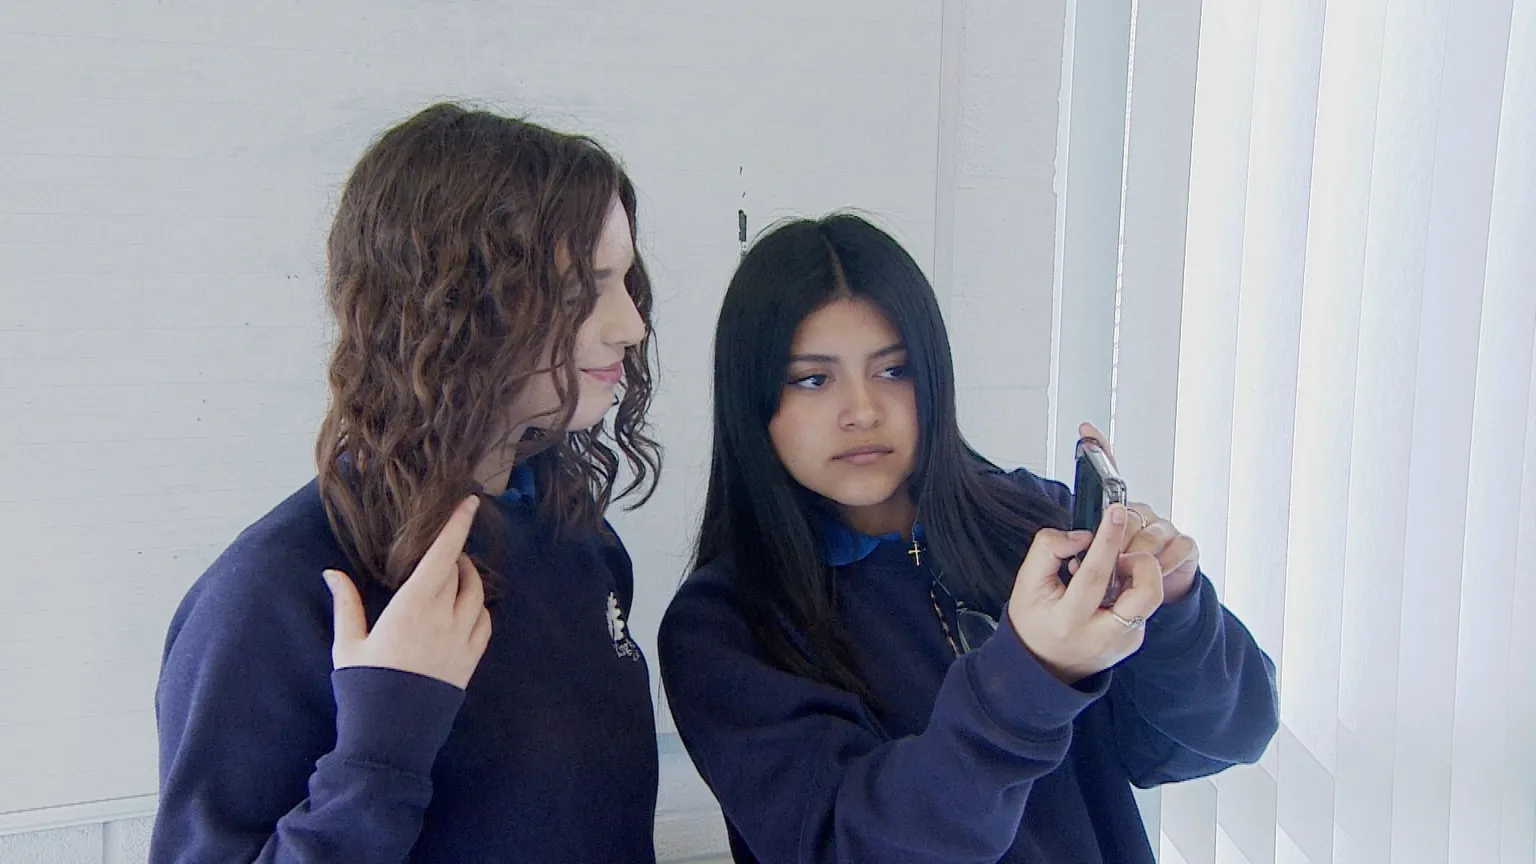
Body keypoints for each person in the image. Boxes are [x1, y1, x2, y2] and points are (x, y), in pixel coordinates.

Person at [658, 213, 1279, 863]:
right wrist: (1033, 675)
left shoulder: (1036, 523)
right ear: (752, 401)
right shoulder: (725, 627)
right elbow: (858, 848)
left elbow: (1227, 734)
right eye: (814, 379)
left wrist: (1174, 608)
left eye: (893, 371)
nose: (862, 410)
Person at [151, 103, 663, 863]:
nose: (630, 326)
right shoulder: (273, 595)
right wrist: (381, 750)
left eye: (625, 280)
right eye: (579, 289)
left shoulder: (576, 538)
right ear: (452, 306)